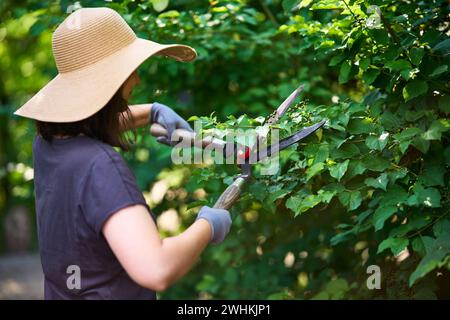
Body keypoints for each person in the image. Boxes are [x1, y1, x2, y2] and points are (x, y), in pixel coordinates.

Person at [14, 7, 232, 299]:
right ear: (111, 82)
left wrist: (153, 113)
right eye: (132, 71)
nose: (137, 81)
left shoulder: (48, 144)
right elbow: (156, 268)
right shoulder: (99, 165)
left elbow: (88, 122)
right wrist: (208, 224)